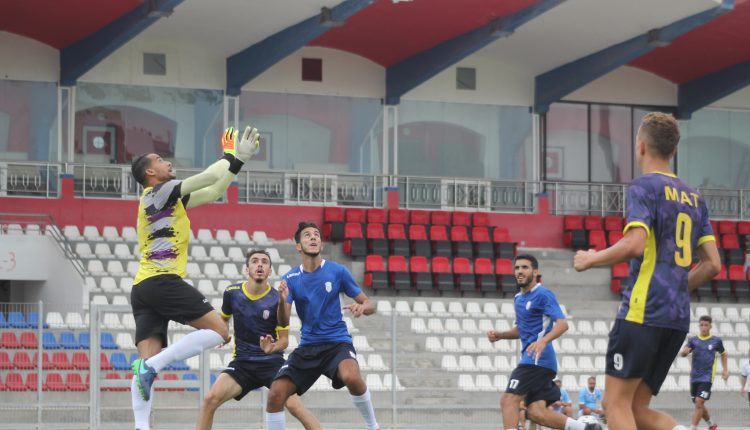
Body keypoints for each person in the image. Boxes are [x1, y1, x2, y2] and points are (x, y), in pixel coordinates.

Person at [574, 112, 721, 430]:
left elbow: (634, 244)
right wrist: (678, 288)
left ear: (640, 146)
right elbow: (713, 264)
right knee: (636, 409)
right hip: (676, 318)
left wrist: (590, 259)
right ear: (674, 151)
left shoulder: (644, 187)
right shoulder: (694, 197)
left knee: (614, 404)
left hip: (643, 312)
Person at [128, 126, 260, 430]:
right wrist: (231, 154)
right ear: (150, 172)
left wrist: (239, 161)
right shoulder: (159, 191)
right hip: (161, 280)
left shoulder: (166, 199)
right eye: (160, 160)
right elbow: (209, 177)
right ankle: (152, 366)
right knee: (219, 331)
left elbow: (214, 191)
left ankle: (140, 426)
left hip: (143, 288)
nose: (167, 162)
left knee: (142, 371)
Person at [264, 222, 380, 430]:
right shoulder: (290, 278)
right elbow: (283, 321)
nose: (313, 237)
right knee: (275, 394)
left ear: (321, 244)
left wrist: (363, 307)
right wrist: (281, 301)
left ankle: (373, 426)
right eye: (307, 235)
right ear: (298, 246)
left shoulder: (338, 271)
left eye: (316, 234)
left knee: (352, 377)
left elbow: (371, 305)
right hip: (308, 348)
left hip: (337, 344)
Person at [196, 249, 321, 430]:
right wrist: (222, 334)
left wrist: (272, 347)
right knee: (210, 399)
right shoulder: (231, 293)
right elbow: (223, 320)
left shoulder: (278, 299)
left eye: (264, 262)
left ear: (270, 271)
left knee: (294, 405)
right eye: (255, 261)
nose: (260, 264)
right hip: (242, 363)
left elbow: (284, 341)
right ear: (247, 269)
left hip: (272, 363)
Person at [487, 254, 598, 430]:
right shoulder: (518, 298)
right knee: (536, 412)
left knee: (508, 400)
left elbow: (562, 324)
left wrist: (543, 341)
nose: (520, 271)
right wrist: (501, 334)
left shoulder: (543, 294)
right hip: (537, 362)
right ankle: (586, 428)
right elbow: (521, 329)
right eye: (517, 268)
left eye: (525, 267)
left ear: (535, 271)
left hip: (537, 360)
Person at [679, 315, 728, 430]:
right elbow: (684, 353)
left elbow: (724, 354)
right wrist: (684, 353)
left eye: (706, 325)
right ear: (699, 326)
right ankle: (712, 424)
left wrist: (725, 369)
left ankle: (693, 427)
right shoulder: (693, 340)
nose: (703, 327)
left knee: (699, 402)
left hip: (707, 377)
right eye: (701, 325)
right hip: (694, 377)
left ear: (710, 326)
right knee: (698, 404)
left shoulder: (716, 341)